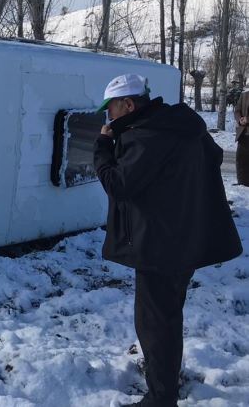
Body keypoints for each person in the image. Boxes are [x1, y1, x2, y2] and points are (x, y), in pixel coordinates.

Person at [94, 73, 242, 406]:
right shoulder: (182, 127)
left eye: (112, 109)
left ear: (129, 104)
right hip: (185, 238)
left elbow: (118, 185)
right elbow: (215, 158)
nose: (109, 117)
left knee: (154, 323)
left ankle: (161, 397)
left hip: (158, 244)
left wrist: (103, 147)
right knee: (167, 317)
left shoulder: (148, 137)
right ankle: (164, 378)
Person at [233, 87, 249, 186]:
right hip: (243, 134)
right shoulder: (244, 94)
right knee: (241, 160)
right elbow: (237, 110)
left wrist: (247, 119)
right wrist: (240, 119)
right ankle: (242, 184)